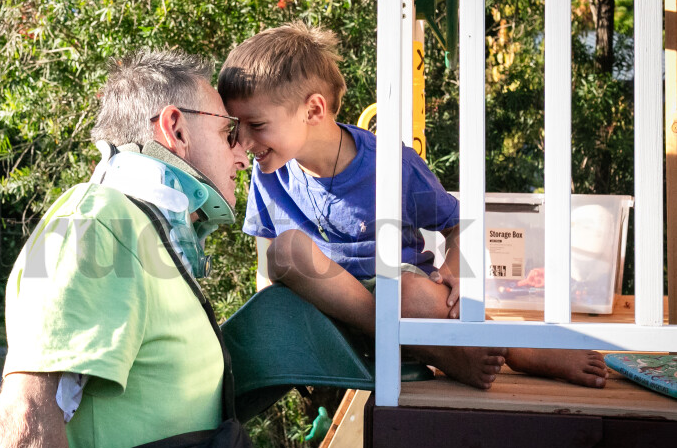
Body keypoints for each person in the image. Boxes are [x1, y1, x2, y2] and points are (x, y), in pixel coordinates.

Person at [218, 22, 608, 390]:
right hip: (329, 315)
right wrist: (277, 333)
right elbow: (267, 269)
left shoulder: (391, 163)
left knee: (410, 291)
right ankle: (443, 350)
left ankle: (521, 350)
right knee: (285, 251)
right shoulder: (268, 173)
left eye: (256, 124)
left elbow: (460, 224)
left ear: (314, 110)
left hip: (400, 299)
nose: (242, 141)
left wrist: (455, 272)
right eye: (236, 126)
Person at [0, 49, 250, 448]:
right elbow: (24, 420)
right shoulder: (97, 222)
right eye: (228, 132)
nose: (241, 154)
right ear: (175, 128)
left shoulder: (139, 229)